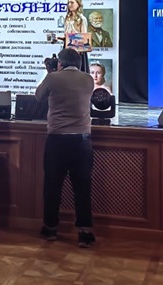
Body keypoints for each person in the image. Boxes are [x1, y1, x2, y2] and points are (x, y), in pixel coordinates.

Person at [35, 48, 96, 248]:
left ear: (59, 63)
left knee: (52, 186)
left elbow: (38, 96)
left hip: (57, 140)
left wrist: (49, 72)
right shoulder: (88, 79)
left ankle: (50, 228)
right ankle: (85, 233)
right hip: (82, 141)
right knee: (82, 188)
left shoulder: (53, 78)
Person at [63, 0, 89, 72]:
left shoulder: (82, 19)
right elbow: (67, 35)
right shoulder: (67, 18)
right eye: (68, 3)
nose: (69, 5)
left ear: (78, 4)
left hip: (78, 48)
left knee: (77, 71)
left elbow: (84, 36)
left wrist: (78, 49)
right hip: (67, 47)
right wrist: (58, 38)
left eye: (72, 3)